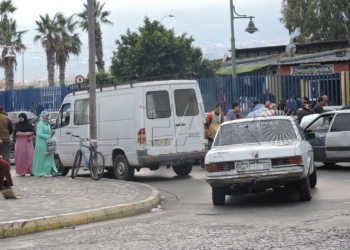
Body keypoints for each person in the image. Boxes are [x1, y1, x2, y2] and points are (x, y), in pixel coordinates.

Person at [33, 111, 59, 177]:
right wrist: (48, 136)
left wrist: (52, 132)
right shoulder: (40, 123)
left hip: (48, 142)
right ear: (43, 116)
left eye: (48, 116)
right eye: (46, 116)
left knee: (49, 156)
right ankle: (41, 172)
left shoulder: (47, 123)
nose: (48, 117)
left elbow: (48, 131)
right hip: (41, 143)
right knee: (42, 157)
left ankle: (52, 171)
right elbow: (39, 133)